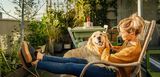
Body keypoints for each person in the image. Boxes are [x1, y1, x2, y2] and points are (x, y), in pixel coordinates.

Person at [19, 14, 144, 77]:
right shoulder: (132, 42)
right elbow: (121, 52)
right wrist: (112, 47)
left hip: (112, 72)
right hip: (111, 66)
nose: (120, 33)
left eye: (122, 32)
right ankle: (39, 56)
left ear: (132, 32)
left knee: (71, 66)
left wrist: (106, 47)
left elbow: (106, 58)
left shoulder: (132, 49)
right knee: (72, 59)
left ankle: (34, 63)